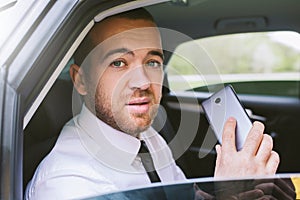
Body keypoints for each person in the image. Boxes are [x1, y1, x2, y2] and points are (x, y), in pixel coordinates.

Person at [25, 8, 294, 200]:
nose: (143, 82)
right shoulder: (70, 187)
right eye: (119, 63)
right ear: (81, 80)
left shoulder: (148, 135)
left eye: (152, 62)